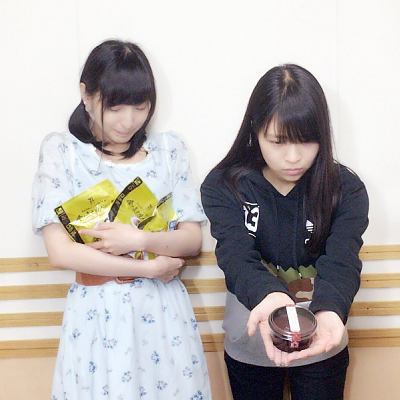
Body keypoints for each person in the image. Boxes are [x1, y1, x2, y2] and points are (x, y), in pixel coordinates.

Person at [32, 39, 211, 400]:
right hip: (96, 315)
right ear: (86, 95)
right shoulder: (62, 152)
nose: (129, 121)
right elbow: (60, 253)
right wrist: (148, 268)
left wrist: (140, 241)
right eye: (114, 107)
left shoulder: (169, 151)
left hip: (163, 315)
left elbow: (192, 239)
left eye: (140, 107)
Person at [200, 64, 368, 400]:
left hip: (324, 341)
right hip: (250, 344)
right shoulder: (224, 186)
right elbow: (235, 256)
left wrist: (330, 311)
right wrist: (272, 298)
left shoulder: (346, 189)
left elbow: (342, 261)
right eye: (278, 141)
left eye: (306, 140)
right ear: (255, 130)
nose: (293, 157)